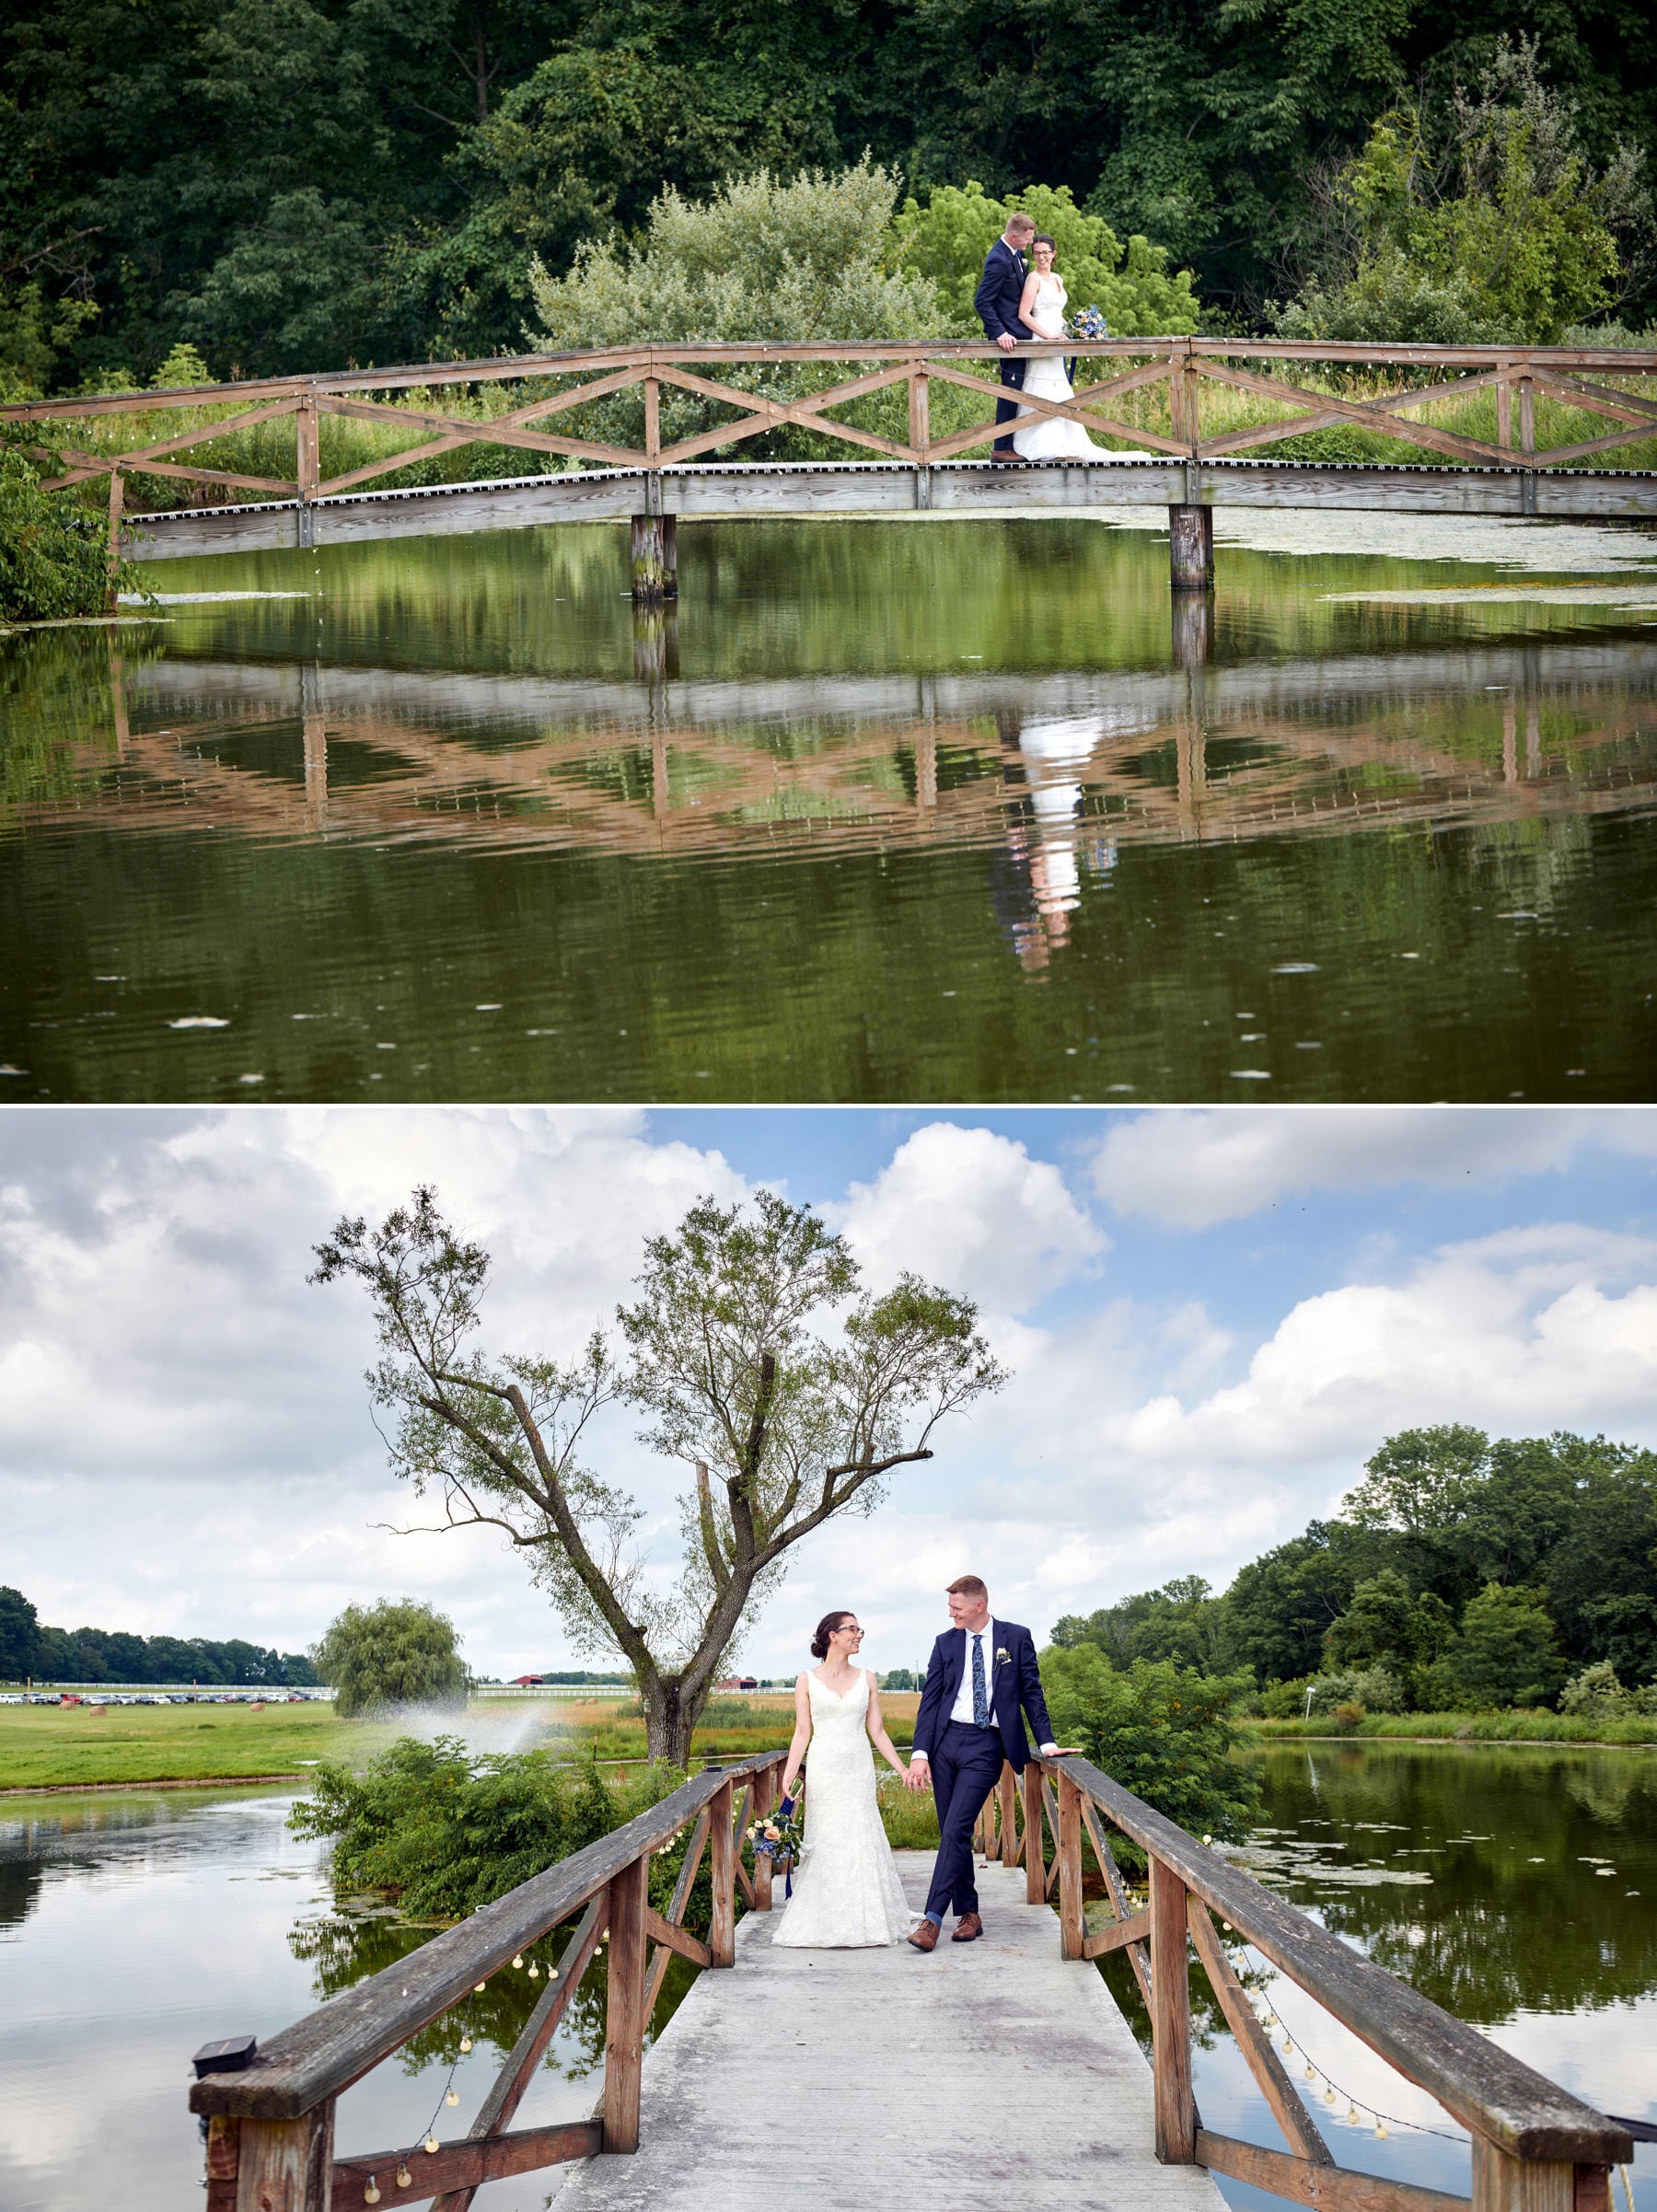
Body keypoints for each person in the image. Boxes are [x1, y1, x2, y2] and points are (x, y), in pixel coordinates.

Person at [903, 1575, 1063, 1950]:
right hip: (945, 1743)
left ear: (979, 1605)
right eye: (949, 1607)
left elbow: (1031, 1694)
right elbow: (930, 1701)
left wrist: (1048, 1742)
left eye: (956, 1607)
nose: (951, 1613)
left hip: (986, 1744)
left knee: (957, 1827)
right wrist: (920, 1753)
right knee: (951, 1832)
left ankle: (932, 1920)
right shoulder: (945, 1643)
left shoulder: (1015, 1638)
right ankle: (970, 1915)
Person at [770, 1609, 918, 1948]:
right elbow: (802, 1731)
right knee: (826, 1836)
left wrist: (902, 1769)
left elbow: (877, 1730)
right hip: (823, 1770)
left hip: (857, 1768)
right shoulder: (807, 1679)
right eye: (852, 1629)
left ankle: (867, 1918)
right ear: (831, 1635)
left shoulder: (867, 1678)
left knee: (859, 1834)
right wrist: (789, 1774)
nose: (859, 1634)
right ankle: (824, 1916)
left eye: (859, 1629)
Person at [1012, 235, 1155, 462]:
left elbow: (1058, 312)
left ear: (1054, 254)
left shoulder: (1058, 278)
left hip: (1060, 336)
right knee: (1043, 384)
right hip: (1042, 337)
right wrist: (1047, 336)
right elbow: (1023, 314)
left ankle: (1066, 442)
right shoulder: (1033, 279)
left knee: (1060, 386)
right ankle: (1041, 442)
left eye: (1046, 252)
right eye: (1037, 253)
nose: (1041, 257)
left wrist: (1079, 329)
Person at [974, 213, 1037, 463]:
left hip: (1021, 332)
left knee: (1020, 389)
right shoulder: (998, 259)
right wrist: (999, 332)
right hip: (1009, 337)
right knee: (1010, 390)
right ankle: (1001, 448)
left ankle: (1015, 443)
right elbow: (982, 301)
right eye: (1026, 240)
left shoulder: (1016, 254)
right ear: (1013, 236)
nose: (1029, 244)